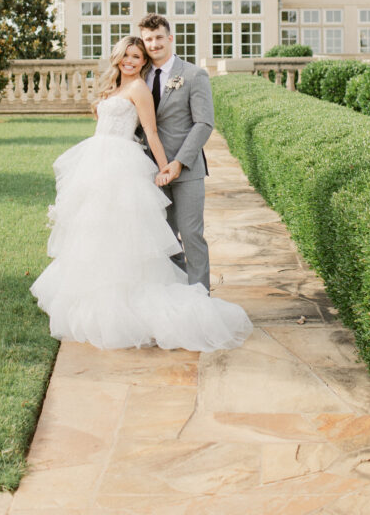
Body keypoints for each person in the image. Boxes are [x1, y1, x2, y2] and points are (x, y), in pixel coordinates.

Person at [30, 35, 252, 351]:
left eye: (137, 57)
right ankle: (96, 294)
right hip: (98, 162)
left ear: (143, 61)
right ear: (118, 57)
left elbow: (150, 132)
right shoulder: (114, 87)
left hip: (122, 164)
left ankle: (136, 302)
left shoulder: (139, 89)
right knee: (96, 231)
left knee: (127, 233)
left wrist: (166, 168)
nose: (131, 61)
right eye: (127, 55)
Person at [137, 13, 213, 291]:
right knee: (164, 237)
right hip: (150, 170)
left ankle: (200, 298)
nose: (154, 44)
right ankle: (177, 292)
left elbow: (204, 123)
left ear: (170, 38)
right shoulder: (139, 76)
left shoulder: (193, 75)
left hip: (187, 169)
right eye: (148, 39)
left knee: (192, 235)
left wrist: (179, 162)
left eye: (158, 37)